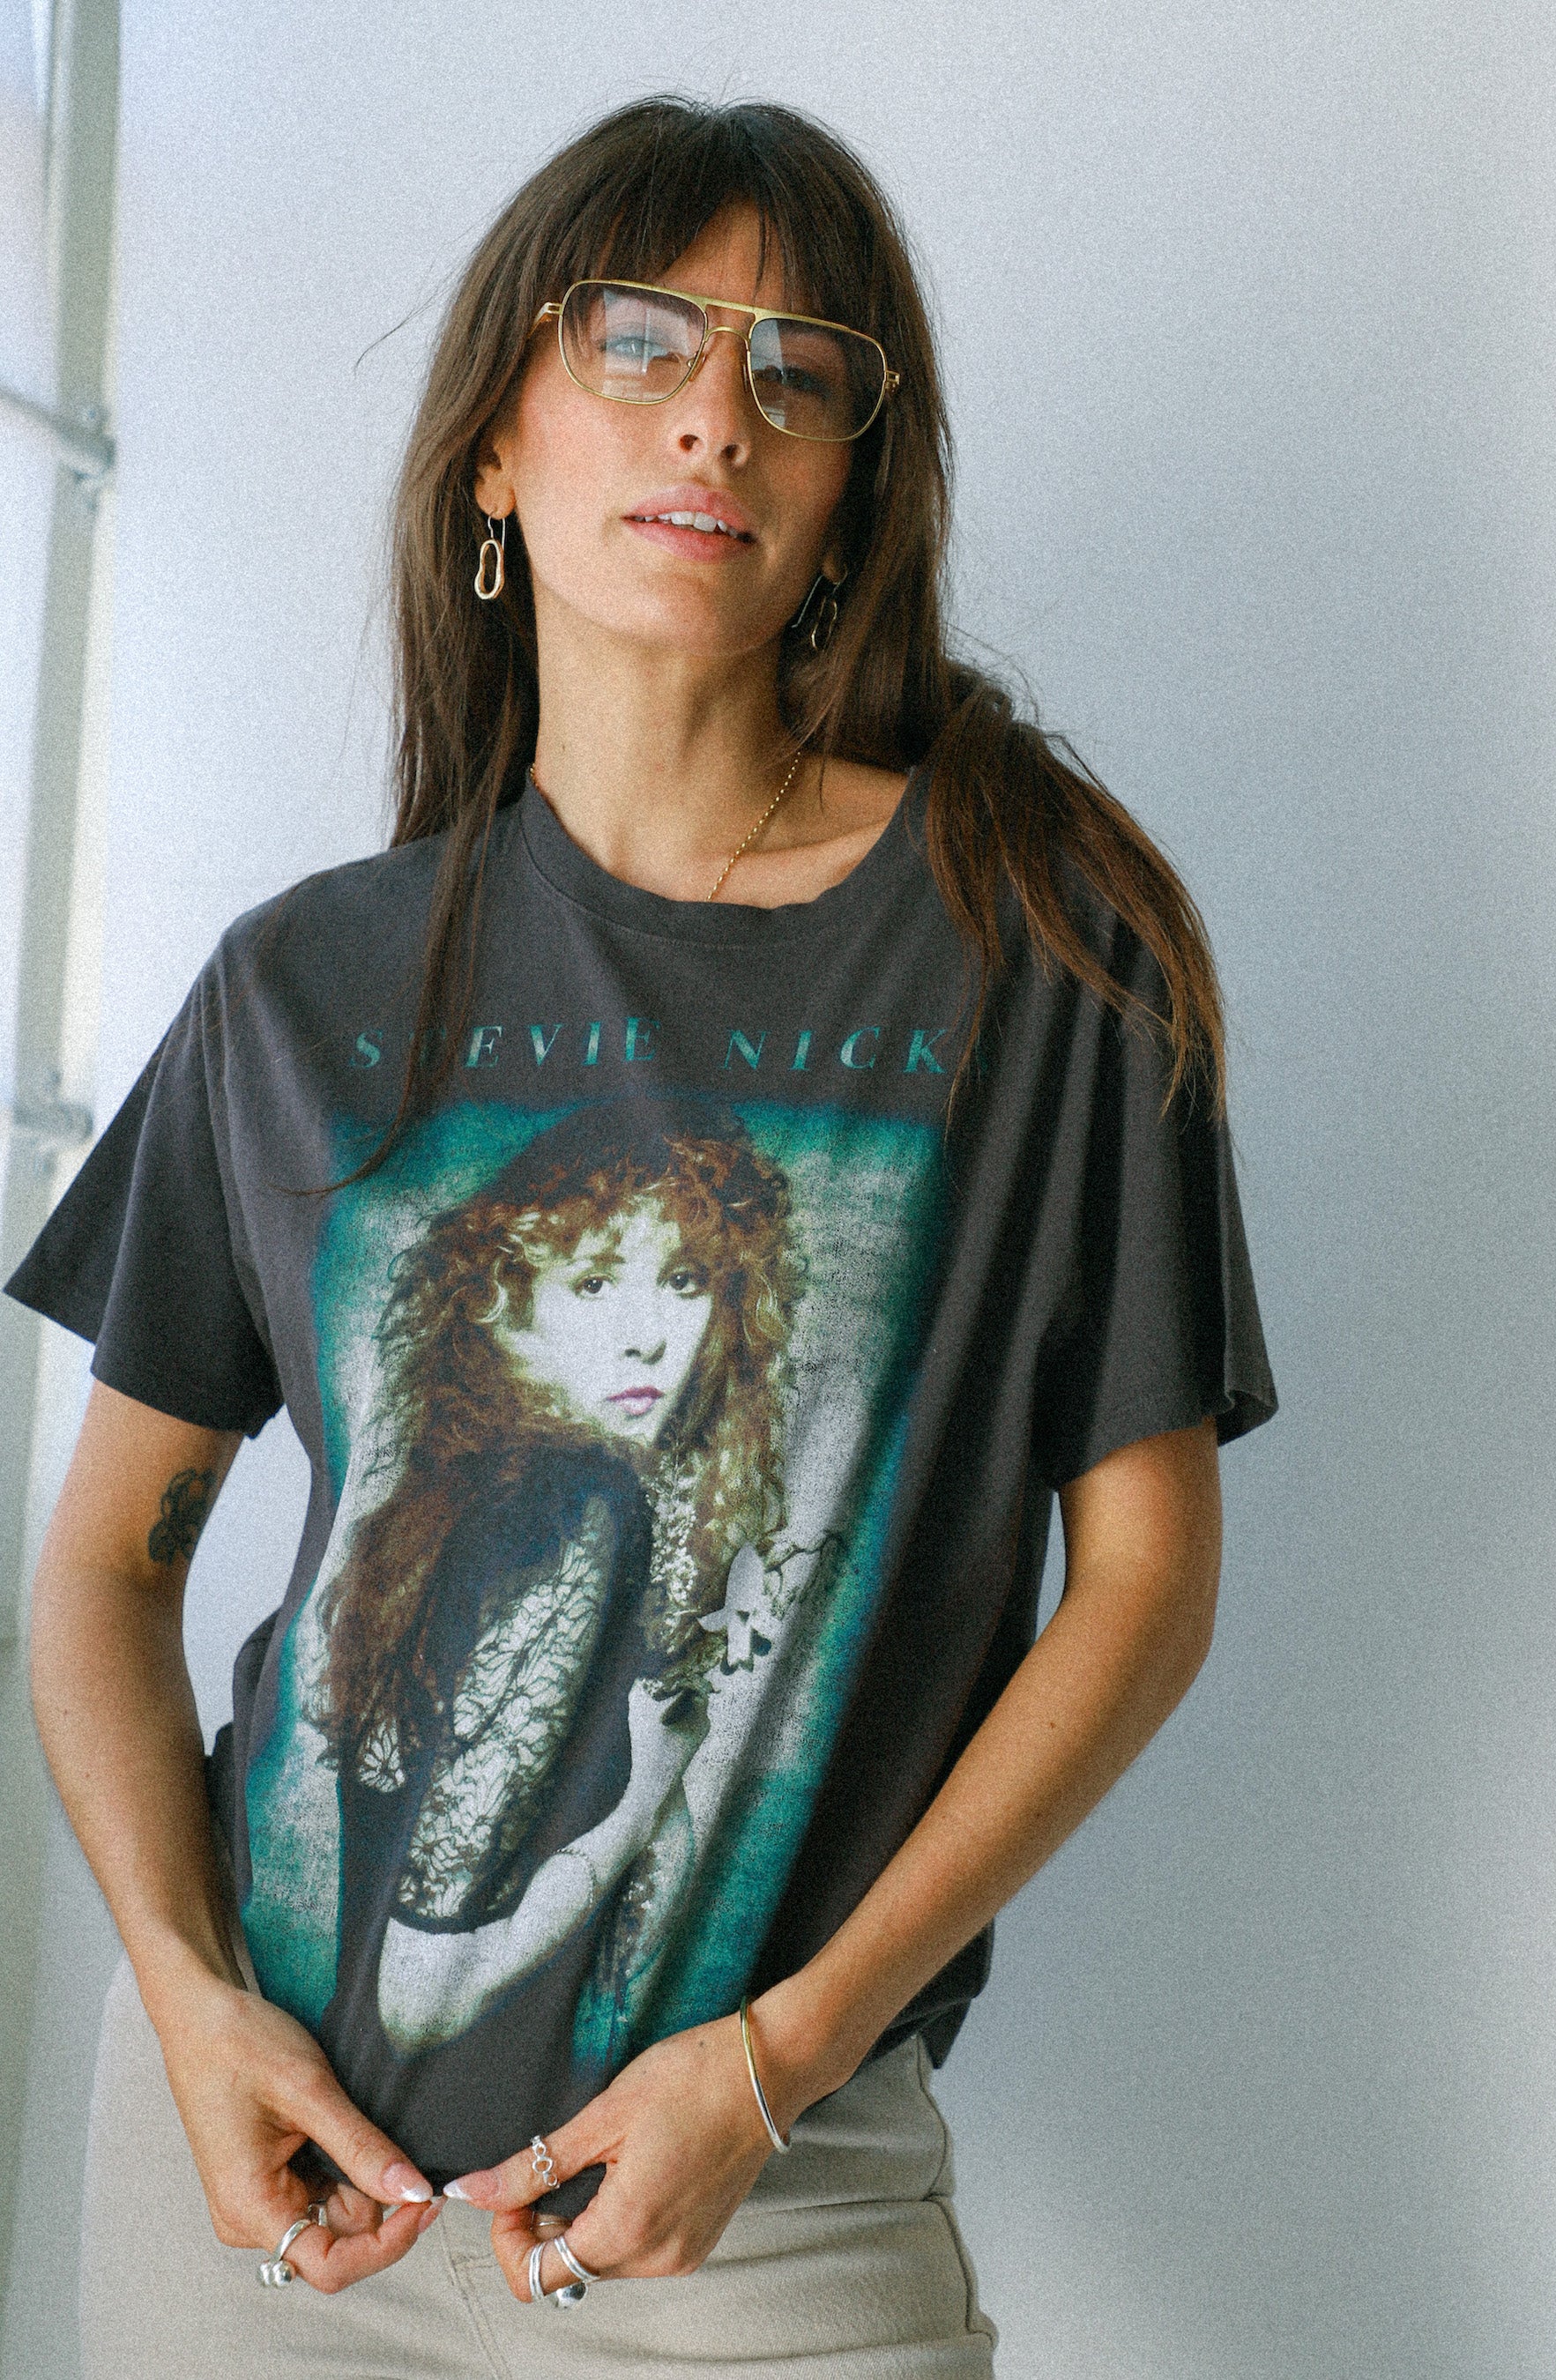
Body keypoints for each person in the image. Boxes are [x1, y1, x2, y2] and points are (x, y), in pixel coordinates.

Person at [6, 92, 1277, 2379]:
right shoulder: (305, 986)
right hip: (262, 2186)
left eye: (800, 371)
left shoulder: (1036, 952)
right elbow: (104, 1562)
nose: (718, 412)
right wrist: (189, 2001)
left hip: (762, 2195)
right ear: (494, 444)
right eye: (641, 339)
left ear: (851, 493)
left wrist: (782, 2058)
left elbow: (1148, 1582)